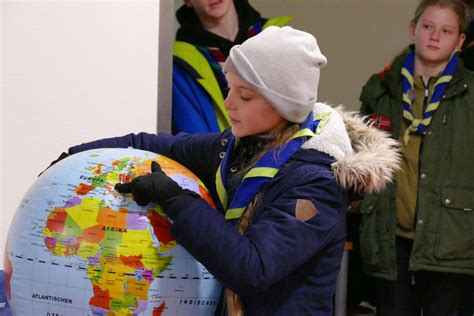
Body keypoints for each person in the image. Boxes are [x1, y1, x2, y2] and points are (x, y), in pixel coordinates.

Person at [9, 27, 399, 315]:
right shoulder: (236, 147)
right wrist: (72, 155)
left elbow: (252, 267)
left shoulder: (315, 182)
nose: (229, 103)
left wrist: (177, 199)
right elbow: (153, 144)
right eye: (230, 88)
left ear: (285, 107)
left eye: (244, 95)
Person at [358, 0, 474, 315]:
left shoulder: (470, 95)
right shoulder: (381, 89)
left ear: (459, 41)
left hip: (450, 240)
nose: (435, 36)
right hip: (389, 235)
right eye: (427, 27)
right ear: (413, 30)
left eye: (446, 30)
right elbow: (363, 155)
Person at [172, 0, 291, 134]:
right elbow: (193, 140)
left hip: (283, 149)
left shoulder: (279, 38)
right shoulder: (178, 65)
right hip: (221, 152)